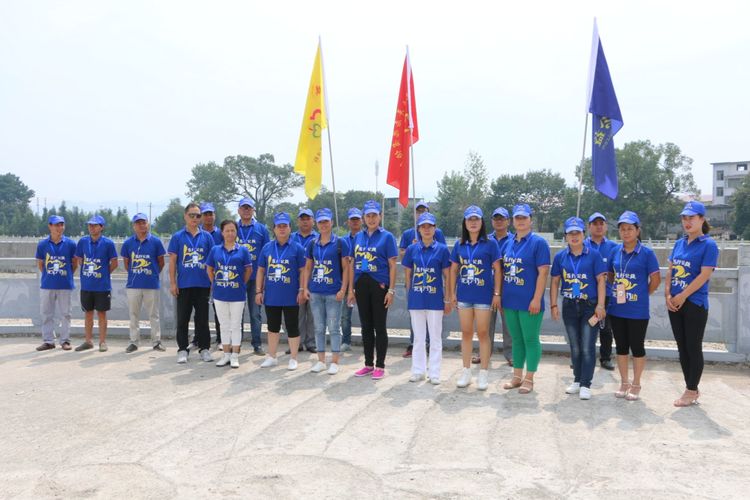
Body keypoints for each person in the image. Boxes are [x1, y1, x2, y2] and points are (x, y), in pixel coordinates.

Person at [666, 201, 718, 407]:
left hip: (694, 303)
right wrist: (668, 294)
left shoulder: (709, 245)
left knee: (693, 346)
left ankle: (690, 389)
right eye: (684, 218)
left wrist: (683, 295)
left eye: (692, 218)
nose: (687, 222)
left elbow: (704, 275)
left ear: (702, 219)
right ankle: (692, 388)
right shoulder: (679, 243)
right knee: (682, 347)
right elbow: (671, 271)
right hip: (675, 303)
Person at [550, 217, 607, 400]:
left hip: (589, 306)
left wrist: (600, 305)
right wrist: (553, 304)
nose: (574, 236)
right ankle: (577, 379)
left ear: (584, 234)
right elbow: (555, 281)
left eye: (577, 233)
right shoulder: (560, 257)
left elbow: (601, 281)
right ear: (565, 236)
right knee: (575, 346)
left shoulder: (594, 255)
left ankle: (586, 383)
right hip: (569, 305)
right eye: (570, 233)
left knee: (587, 346)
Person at [607, 211, 661, 401]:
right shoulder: (615, 251)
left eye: (630, 229)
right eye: (622, 229)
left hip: (638, 310)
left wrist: (643, 293)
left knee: (637, 347)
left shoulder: (647, 253)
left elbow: (656, 279)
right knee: (621, 347)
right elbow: (610, 274)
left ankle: (636, 383)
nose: (626, 232)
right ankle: (624, 382)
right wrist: (618, 289)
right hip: (617, 308)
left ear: (638, 231)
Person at [449, 206, 501, 390]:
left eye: (476, 219)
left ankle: (484, 373)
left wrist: (497, 293)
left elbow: (498, 270)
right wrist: (452, 293)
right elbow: (453, 270)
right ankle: (466, 371)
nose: (473, 223)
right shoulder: (459, 244)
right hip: (464, 295)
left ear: (482, 222)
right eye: (469, 219)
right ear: (464, 223)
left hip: (483, 296)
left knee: (483, 333)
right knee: (466, 332)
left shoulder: (491, 244)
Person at [500, 204, 551, 395]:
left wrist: (537, 298)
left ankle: (529, 378)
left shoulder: (539, 243)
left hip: (530, 301)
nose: (520, 221)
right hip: (510, 300)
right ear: (513, 221)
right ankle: (516, 376)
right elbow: (502, 271)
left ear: (530, 220)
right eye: (517, 218)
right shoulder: (508, 243)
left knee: (530, 339)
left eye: (524, 217)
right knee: (516, 339)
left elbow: (543, 273)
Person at [348, 200, 398, 380]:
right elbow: (352, 263)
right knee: (366, 326)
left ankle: (380, 365)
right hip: (361, 284)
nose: (371, 219)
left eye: (374, 215)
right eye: (368, 216)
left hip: (379, 285)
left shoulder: (387, 237)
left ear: (380, 216)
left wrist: (391, 290)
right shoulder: (358, 237)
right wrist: (351, 289)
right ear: (363, 218)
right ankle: (368, 364)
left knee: (379, 326)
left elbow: (393, 265)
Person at [403, 212, 452, 384]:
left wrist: (448, 299)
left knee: (435, 338)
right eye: (423, 226)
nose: (426, 229)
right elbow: (408, 275)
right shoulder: (411, 249)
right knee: (418, 337)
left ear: (435, 228)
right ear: (418, 229)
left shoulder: (442, 249)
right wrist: (410, 294)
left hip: (435, 300)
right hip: (416, 299)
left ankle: (435, 373)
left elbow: (447, 276)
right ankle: (418, 371)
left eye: (429, 226)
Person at [302, 208, 351, 375]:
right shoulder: (312, 243)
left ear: (332, 222)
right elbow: (308, 267)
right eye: (320, 222)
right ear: (317, 223)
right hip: (316, 292)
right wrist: (305, 287)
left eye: (326, 221)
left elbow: (346, 268)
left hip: (333, 292)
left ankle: (335, 361)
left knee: (334, 327)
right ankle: (321, 361)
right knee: (319, 328)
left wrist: (343, 289)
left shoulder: (340, 243)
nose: (323, 224)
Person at [256, 212, 307, 370]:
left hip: (291, 295)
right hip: (272, 295)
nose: (282, 229)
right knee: (272, 327)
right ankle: (272, 356)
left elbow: (303, 271)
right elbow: (261, 270)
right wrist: (258, 291)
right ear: (274, 229)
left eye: (285, 226)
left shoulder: (297, 248)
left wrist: (302, 290)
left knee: (292, 327)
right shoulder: (267, 248)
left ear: (290, 228)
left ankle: (293, 358)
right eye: (279, 226)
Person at [399, 201, 447, 358]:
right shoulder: (408, 234)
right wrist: (412, 247)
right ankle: (414, 346)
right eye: (418, 211)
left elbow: (443, 256)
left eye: (424, 211)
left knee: (434, 325)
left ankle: (431, 352)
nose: (421, 213)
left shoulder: (438, 234)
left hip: (433, 285)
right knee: (416, 320)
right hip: (416, 282)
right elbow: (402, 255)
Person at [169, 202, 215, 364]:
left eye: (198, 215)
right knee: (182, 319)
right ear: (185, 216)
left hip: (203, 285)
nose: (195, 218)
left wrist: (212, 282)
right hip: (184, 285)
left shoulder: (207, 237)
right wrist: (173, 283)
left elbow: (212, 262)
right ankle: (182, 349)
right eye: (192, 215)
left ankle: (204, 348)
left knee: (202, 319)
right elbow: (172, 262)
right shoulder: (178, 237)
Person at [206, 220, 253, 369]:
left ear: (236, 232)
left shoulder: (243, 250)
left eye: (233, 230)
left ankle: (235, 355)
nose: (230, 233)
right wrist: (215, 282)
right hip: (220, 293)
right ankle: (226, 354)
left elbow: (248, 270)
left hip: (237, 294)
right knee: (224, 325)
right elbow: (209, 268)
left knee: (236, 325)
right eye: (227, 230)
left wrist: (241, 283)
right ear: (222, 232)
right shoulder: (215, 250)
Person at [473, 206, 513, 366]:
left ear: (508, 221)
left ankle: (511, 354)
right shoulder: (485, 240)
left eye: (502, 218)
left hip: (508, 287)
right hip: (487, 286)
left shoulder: (514, 240)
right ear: (491, 221)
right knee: (485, 323)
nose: (499, 221)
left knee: (509, 323)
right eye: (496, 218)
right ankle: (484, 353)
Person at [121, 213, 167, 352]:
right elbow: (127, 264)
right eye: (138, 223)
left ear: (148, 224)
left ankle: (156, 341)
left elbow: (161, 262)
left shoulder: (156, 242)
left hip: (151, 284)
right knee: (133, 314)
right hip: (133, 285)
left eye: (144, 222)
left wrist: (152, 274)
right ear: (134, 226)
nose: (141, 225)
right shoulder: (128, 243)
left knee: (154, 315)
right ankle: (134, 342)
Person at [73, 215, 118, 352]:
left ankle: (102, 342)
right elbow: (79, 260)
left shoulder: (108, 243)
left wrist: (103, 273)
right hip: (87, 285)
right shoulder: (83, 242)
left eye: (95, 225)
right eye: (90, 225)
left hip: (102, 286)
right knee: (88, 313)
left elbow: (114, 263)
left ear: (101, 227)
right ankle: (88, 341)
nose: (92, 227)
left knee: (102, 314)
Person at [35, 215, 77, 351]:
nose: (59, 227)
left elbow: (74, 263)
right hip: (47, 284)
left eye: (61, 225)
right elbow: (41, 264)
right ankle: (48, 341)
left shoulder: (71, 244)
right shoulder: (42, 244)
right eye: (56, 225)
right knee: (46, 313)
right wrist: (50, 274)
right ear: (50, 226)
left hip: (65, 284)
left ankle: (65, 340)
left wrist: (66, 274)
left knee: (66, 314)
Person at [584, 212, 618, 371]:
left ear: (606, 227)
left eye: (601, 223)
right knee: (585, 327)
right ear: (589, 227)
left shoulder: (613, 247)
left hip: (607, 294)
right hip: (586, 294)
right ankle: (582, 357)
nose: (598, 226)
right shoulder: (582, 245)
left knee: (606, 328)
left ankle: (605, 358)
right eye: (595, 224)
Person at [237, 197, 269, 356]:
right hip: (237, 278)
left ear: (253, 210)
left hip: (256, 278)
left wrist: (265, 279)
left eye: (249, 208)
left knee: (255, 313)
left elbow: (267, 253)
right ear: (238, 210)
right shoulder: (233, 228)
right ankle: (237, 343)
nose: (246, 210)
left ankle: (257, 344)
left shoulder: (261, 229)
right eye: (243, 208)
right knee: (237, 313)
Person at [290, 208, 319, 353]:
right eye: (302, 219)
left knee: (313, 314)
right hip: (295, 280)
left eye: (308, 219)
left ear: (313, 221)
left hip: (315, 279)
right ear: (298, 221)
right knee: (297, 313)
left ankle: (311, 342)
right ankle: (298, 342)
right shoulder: (291, 237)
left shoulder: (319, 237)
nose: (305, 221)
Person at [200, 201, 224, 350]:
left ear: (214, 216)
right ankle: (199, 338)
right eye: (205, 214)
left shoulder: (221, 234)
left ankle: (221, 338)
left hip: (218, 276)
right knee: (200, 311)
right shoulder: (197, 233)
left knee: (219, 309)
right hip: (200, 277)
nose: (208, 217)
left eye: (211, 214)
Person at [340, 208, 363, 351]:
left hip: (362, 280)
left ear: (362, 220)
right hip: (346, 283)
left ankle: (367, 339)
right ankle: (346, 341)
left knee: (365, 314)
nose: (355, 222)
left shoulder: (366, 238)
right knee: (345, 315)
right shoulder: (342, 240)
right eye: (352, 219)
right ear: (348, 222)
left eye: (357, 219)